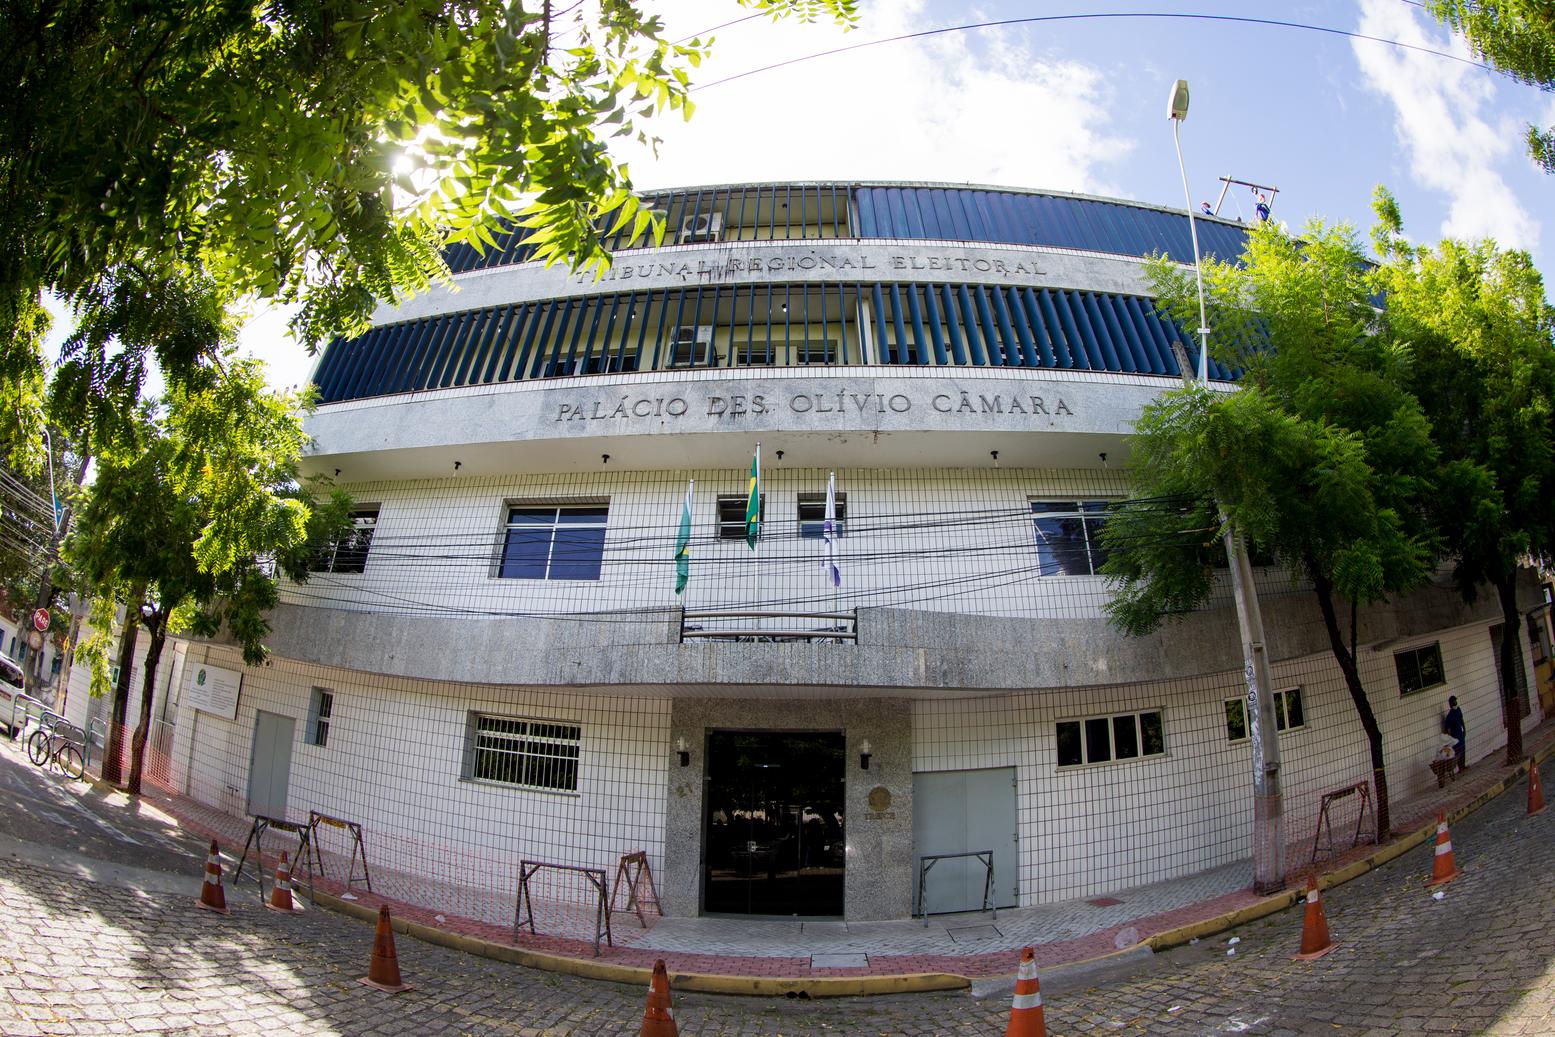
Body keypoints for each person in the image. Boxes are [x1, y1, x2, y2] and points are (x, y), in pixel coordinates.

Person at [1444, 695, 1466, 773]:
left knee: (1463, 750)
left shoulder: (1458, 710)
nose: (1455, 703)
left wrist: (1464, 730)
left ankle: (1463, 766)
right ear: (1450, 704)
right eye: (1453, 702)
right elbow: (1448, 729)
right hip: (1455, 737)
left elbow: (1462, 720)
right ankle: (1460, 767)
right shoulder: (1449, 716)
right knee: (1458, 752)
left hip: (1461, 734)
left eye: (1455, 701)